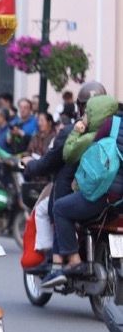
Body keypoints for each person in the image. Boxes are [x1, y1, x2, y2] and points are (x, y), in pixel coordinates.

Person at [22, 81, 107, 261]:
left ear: (82, 107)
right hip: (113, 198)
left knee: (53, 209)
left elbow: (50, 162)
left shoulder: (73, 131)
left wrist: (29, 166)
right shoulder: (113, 129)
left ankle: (59, 261)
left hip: (86, 194)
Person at [43, 93, 121, 287]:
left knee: (60, 208)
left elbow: (83, 157)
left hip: (106, 195)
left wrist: (77, 132)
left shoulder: (110, 125)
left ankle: (73, 260)